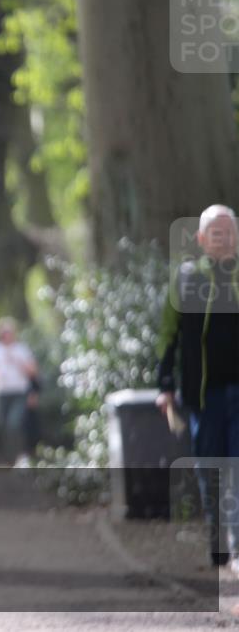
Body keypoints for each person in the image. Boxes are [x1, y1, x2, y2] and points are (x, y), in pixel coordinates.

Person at [155, 204, 239, 568]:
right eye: (216, 232)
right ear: (201, 239)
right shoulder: (186, 278)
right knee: (212, 471)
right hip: (203, 397)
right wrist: (165, 383)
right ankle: (220, 543)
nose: (224, 237)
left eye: (230, 231)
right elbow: (167, 335)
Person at [0, 317, 39, 466]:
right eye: (4, 332)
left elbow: (33, 371)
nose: (6, 335)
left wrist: (17, 361)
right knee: (6, 427)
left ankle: (22, 456)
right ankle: (13, 458)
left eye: (9, 332)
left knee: (15, 423)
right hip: (2, 393)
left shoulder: (21, 349)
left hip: (19, 392)